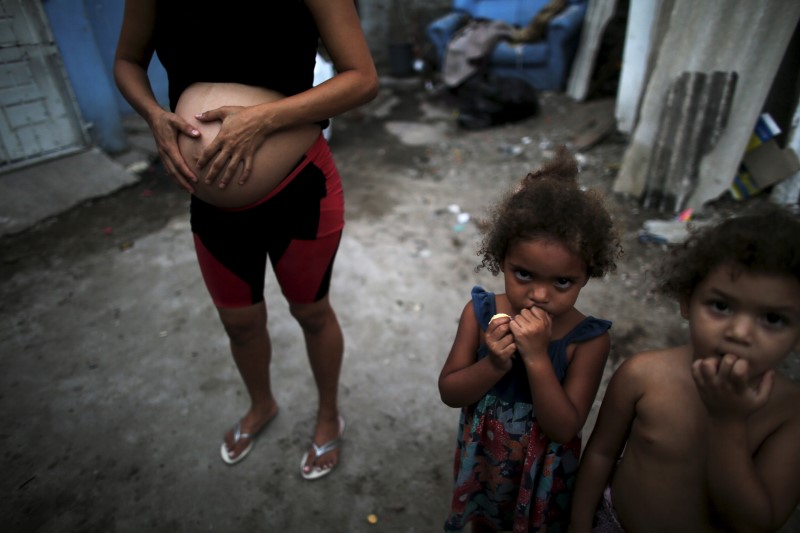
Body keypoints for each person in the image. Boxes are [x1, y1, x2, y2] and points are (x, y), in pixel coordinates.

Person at [114, 0, 378, 479]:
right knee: (239, 323)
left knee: (312, 313)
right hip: (213, 205)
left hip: (301, 187)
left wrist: (265, 119)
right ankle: (262, 406)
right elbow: (127, 61)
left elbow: (361, 77)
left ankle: (326, 416)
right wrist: (153, 115)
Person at [569, 205, 800, 532]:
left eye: (773, 319)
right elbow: (601, 455)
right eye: (721, 306)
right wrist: (578, 525)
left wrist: (728, 422)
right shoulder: (643, 375)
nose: (740, 333)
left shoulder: (790, 415)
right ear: (687, 301)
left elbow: (757, 523)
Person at [439, 147, 622, 532]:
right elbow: (451, 392)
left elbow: (564, 428)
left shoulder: (587, 342)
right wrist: (492, 364)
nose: (540, 295)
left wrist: (538, 359)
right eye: (523, 274)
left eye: (561, 282)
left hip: (541, 473)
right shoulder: (479, 313)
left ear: (587, 275)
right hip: (486, 459)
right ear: (501, 259)